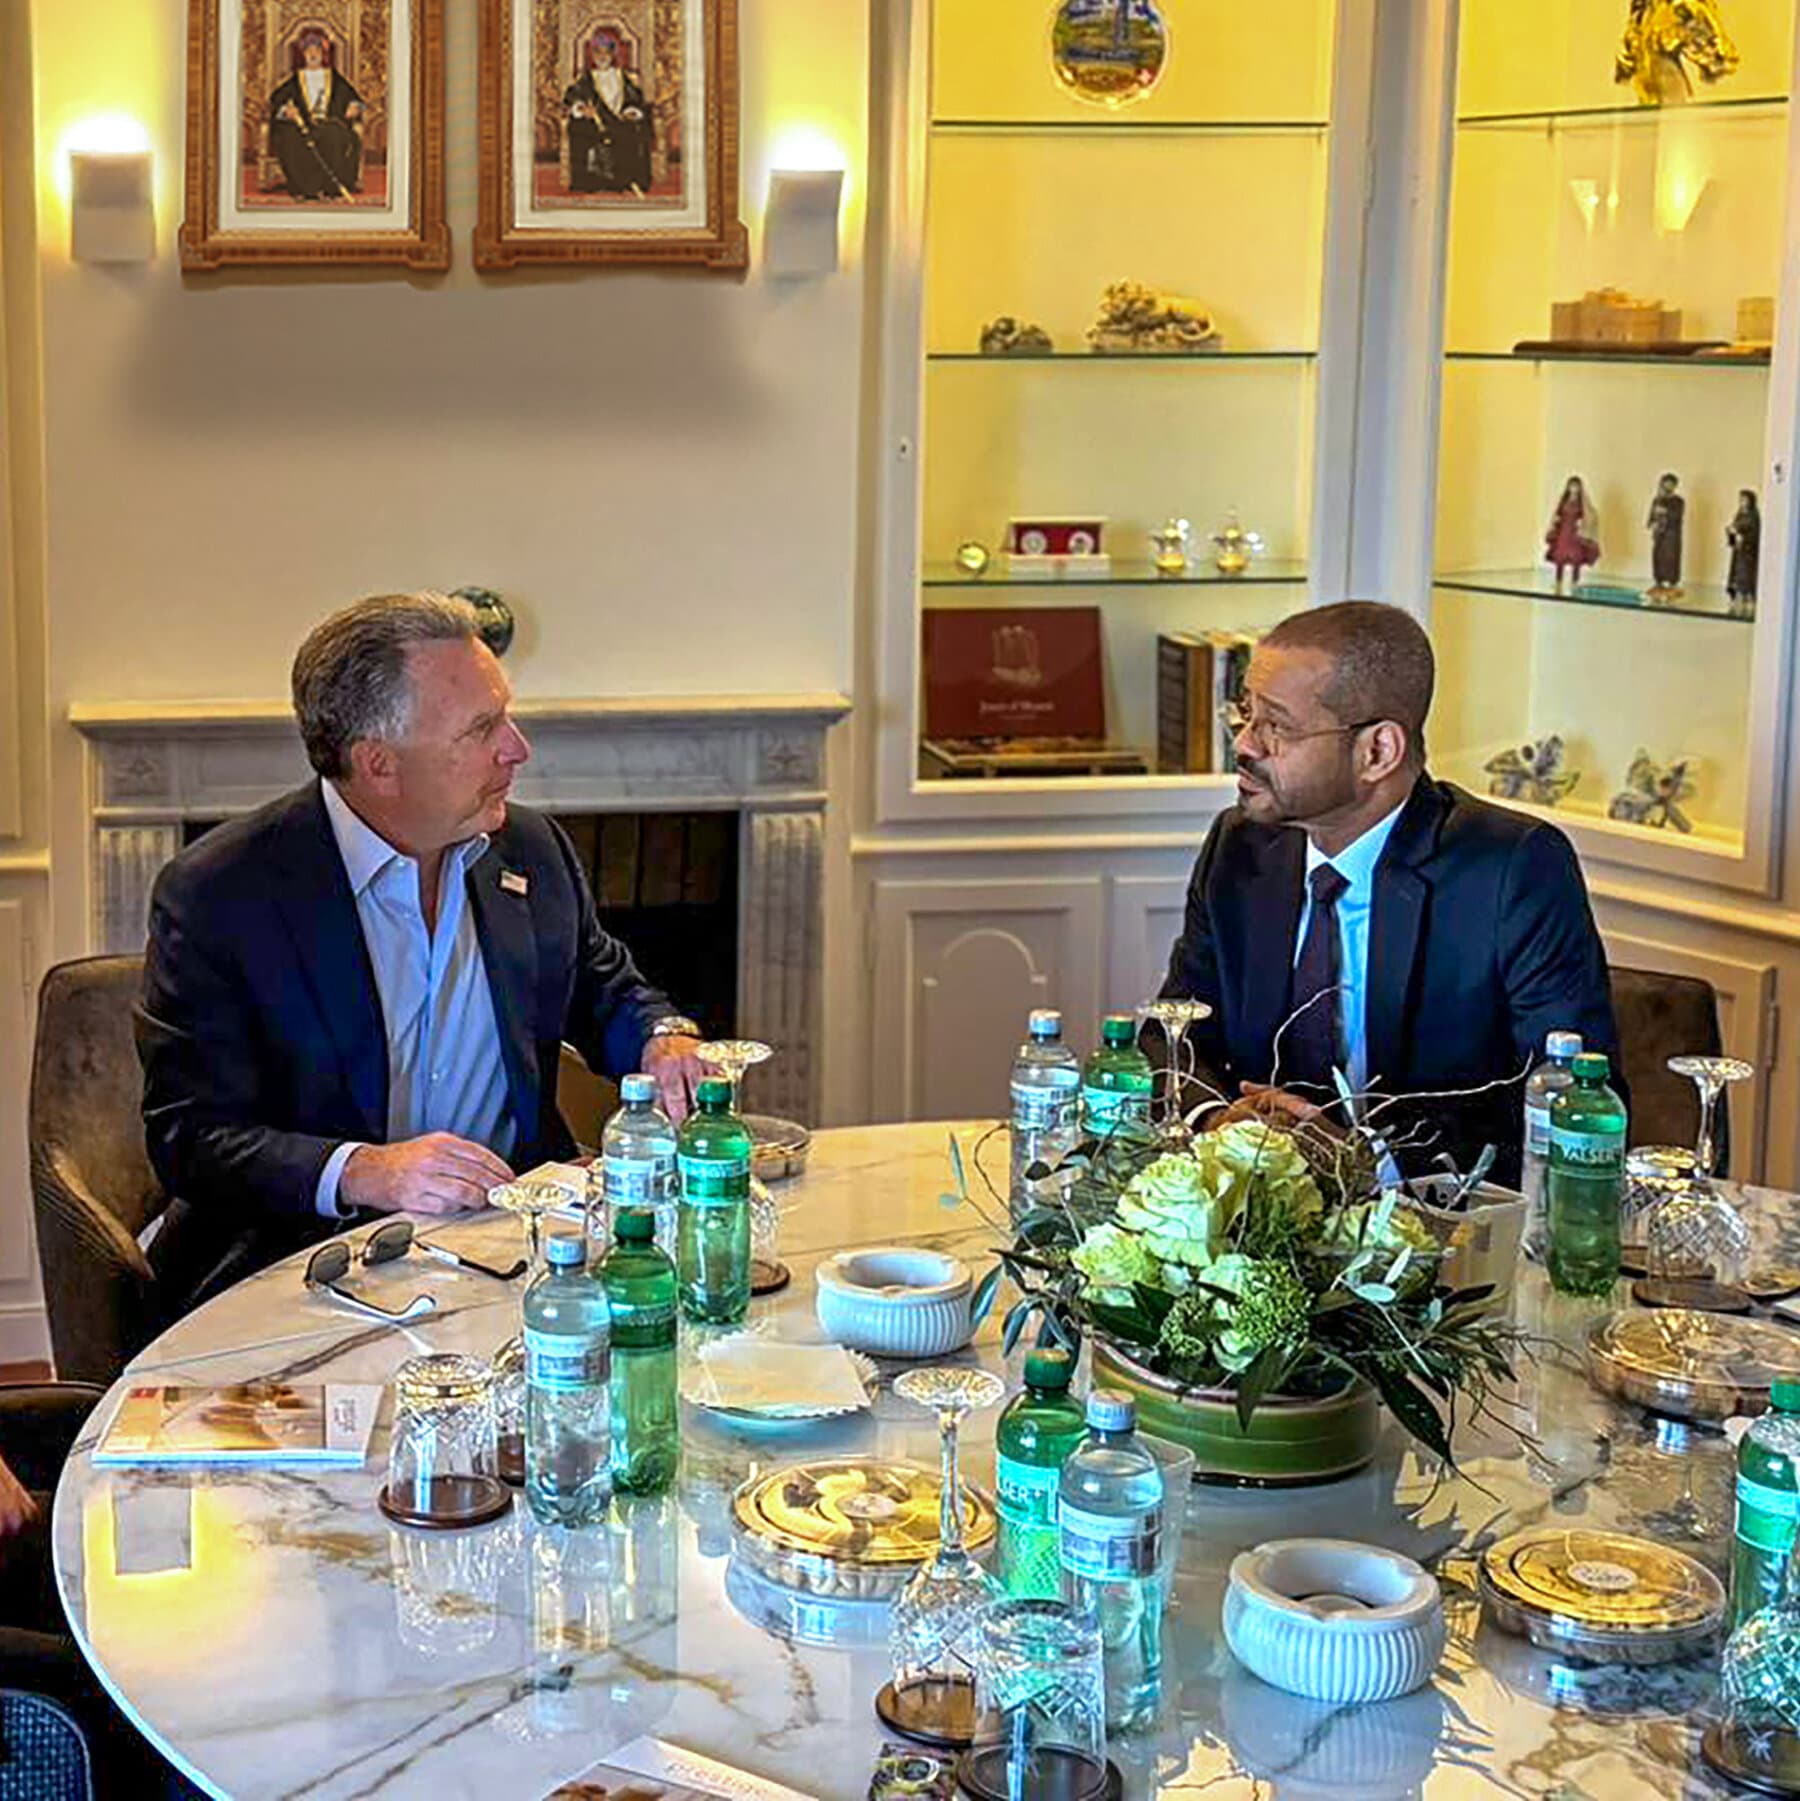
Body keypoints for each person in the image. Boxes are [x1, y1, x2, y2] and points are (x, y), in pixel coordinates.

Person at [138, 593, 706, 1314]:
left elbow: (603, 985)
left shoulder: (531, 850)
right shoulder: (223, 892)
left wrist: (661, 1038)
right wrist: (366, 1170)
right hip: (309, 1271)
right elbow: (190, 1136)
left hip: (521, 1254)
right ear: (379, 764)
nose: (518, 748)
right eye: (482, 728)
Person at [1160, 600, 1622, 1186]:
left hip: (1440, 1229)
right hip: (1254, 1218)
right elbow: (1172, 1033)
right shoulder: (1241, 845)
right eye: (1245, 715)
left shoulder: (1513, 869)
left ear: (1378, 751)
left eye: (1276, 726)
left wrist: (1366, 1159)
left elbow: (1569, 1099)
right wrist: (1217, 1122)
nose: (1246, 745)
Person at [267, 30, 366, 201]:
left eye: (316, 51)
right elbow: (276, 99)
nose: (313, 54)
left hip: (329, 124)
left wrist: (354, 107)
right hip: (303, 126)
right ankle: (306, 189)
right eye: (309, 51)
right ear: (304, 54)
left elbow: (355, 99)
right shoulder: (296, 79)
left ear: (322, 53)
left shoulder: (333, 77)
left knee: (335, 136)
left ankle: (331, 188)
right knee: (290, 138)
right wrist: (286, 111)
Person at [562, 34, 654, 196]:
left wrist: (631, 111)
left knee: (635, 129)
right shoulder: (587, 78)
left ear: (612, 55)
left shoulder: (622, 77)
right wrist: (582, 109)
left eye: (606, 53)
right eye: (598, 53)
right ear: (593, 55)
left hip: (620, 122)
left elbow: (635, 99)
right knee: (584, 131)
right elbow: (572, 97)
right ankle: (594, 182)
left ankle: (628, 180)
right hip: (596, 123)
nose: (602, 57)